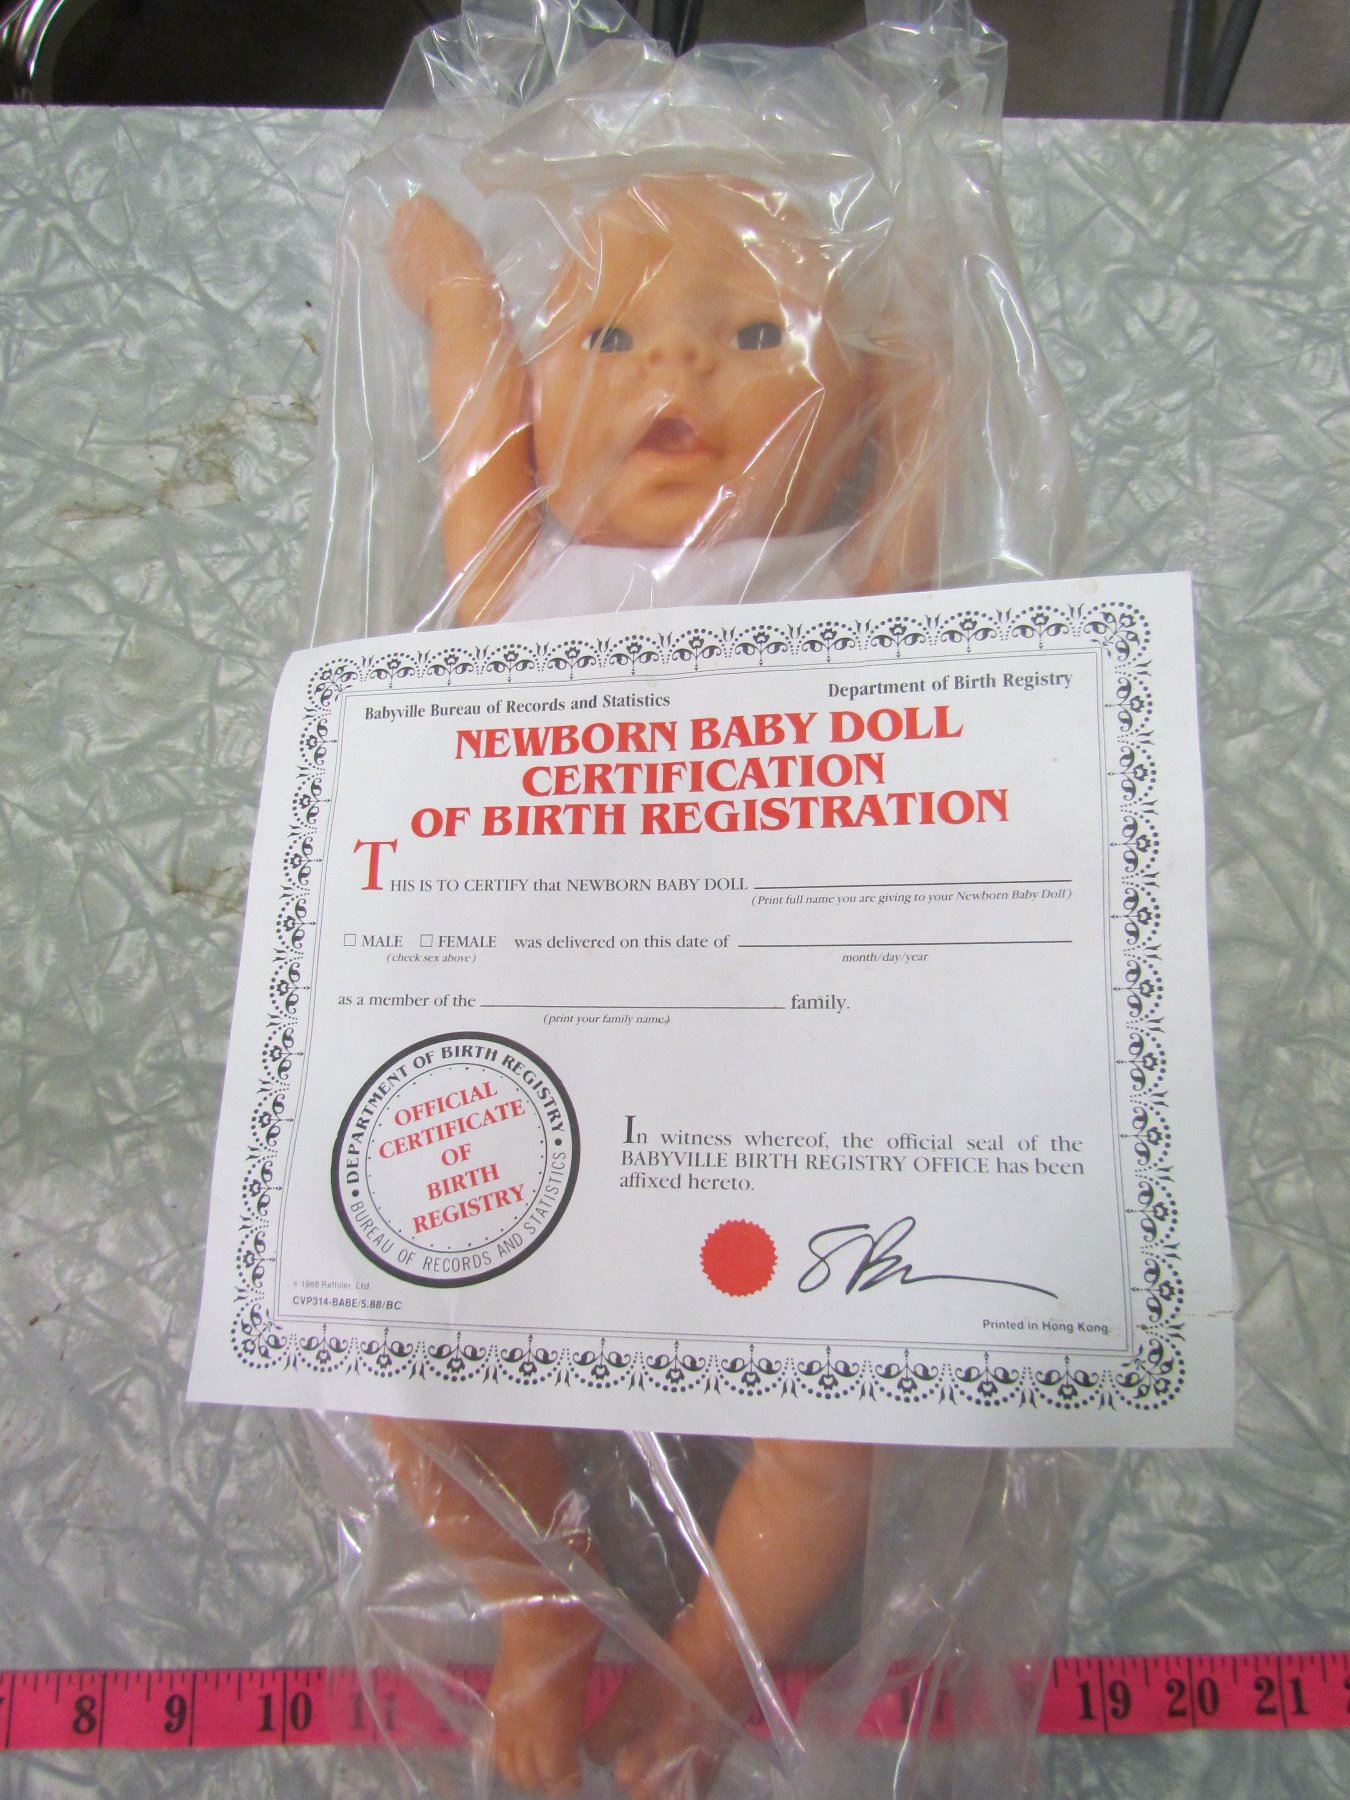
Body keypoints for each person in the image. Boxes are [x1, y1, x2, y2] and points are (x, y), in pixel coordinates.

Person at [375, 172, 942, 1799]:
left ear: (849, 411)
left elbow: (927, 443)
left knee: (836, 1424)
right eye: (609, 340)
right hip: (538, 1091)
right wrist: (459, 295)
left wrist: (931, 352)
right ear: (536, 401)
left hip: (780, 1091)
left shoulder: (845, 605)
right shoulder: (517, 587)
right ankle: (537, 1610)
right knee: (405, 1384)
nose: (676, 372)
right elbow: (470, 422)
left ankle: (702, 1671)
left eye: (755, 336)